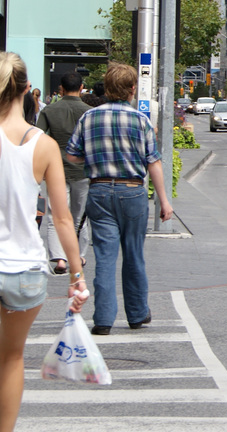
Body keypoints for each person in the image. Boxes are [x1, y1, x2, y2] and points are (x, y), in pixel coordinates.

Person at [0, 51, 88, 432]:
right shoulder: (44, 146)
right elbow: (63, 218)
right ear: (27, 92)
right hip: (23, 271)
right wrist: (76, 274)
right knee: (11, 358)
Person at [66, 62, 173, 336]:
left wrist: (94, 157)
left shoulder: (89, 118)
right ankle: (137, 314)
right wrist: (164, 201)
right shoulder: (140, 120)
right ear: (132, 89)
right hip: (133, 191)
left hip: (99, 191)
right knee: (134, 255)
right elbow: (154, 163)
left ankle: (103, 319)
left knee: (104, 256)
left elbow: (72, 156)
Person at [37, 72, 92, 275]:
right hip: (83, 170)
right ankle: (76, 254)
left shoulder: (50, 110)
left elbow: (39, 137)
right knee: (78, 216)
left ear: (60, 88)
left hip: (55, 168)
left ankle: (59, 258)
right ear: (81, 87)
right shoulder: (89, 112)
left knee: (54, 214)